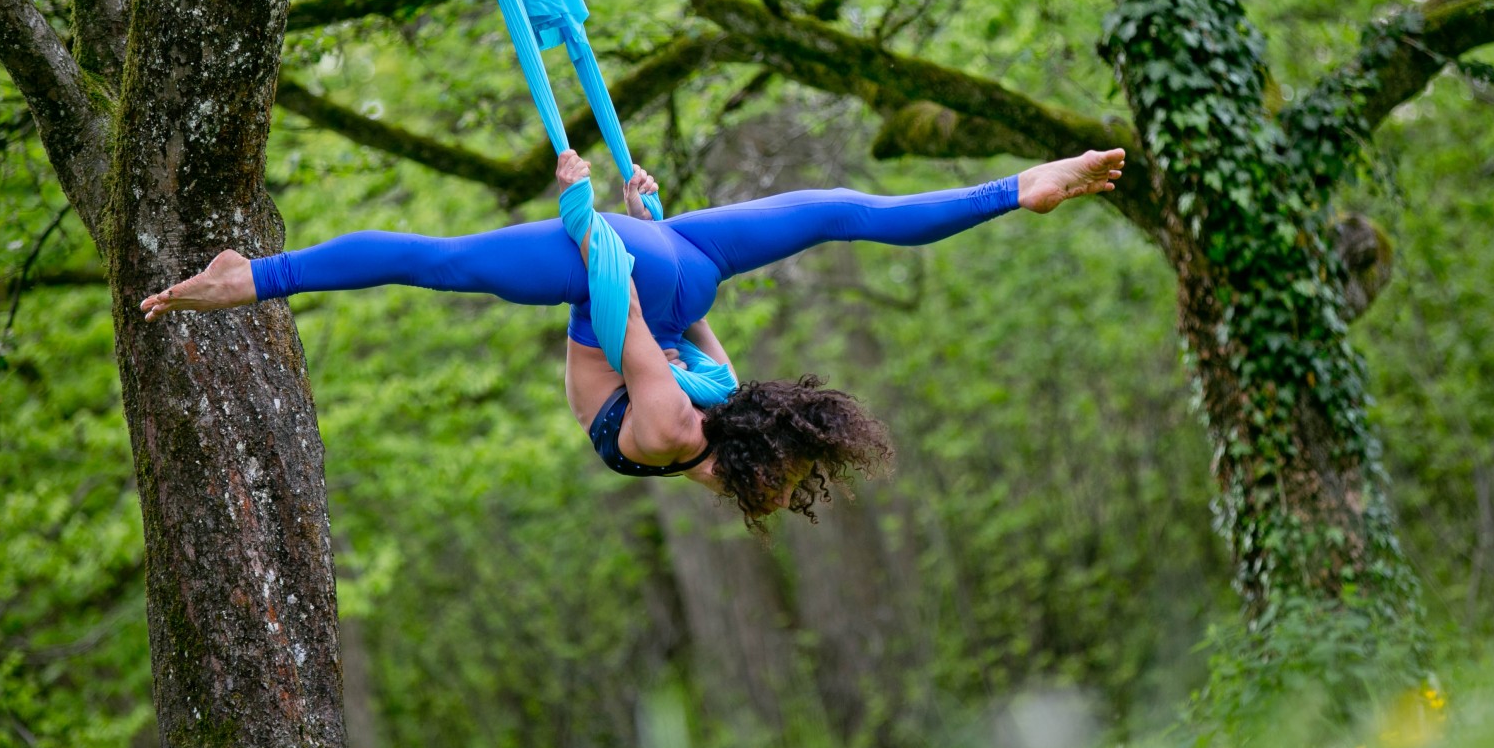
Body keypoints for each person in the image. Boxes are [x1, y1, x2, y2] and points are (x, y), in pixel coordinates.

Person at [141, 148, 1126, 527]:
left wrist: (654, 221)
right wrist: (587, 217)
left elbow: (689, 320)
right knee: (434, 260)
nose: (763, 495)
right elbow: (617, 313)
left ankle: (1011, 189)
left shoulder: (727, 393)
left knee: (838, 207)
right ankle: (252, 278)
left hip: (685, 264)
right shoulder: (669, 430)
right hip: (618, 269)